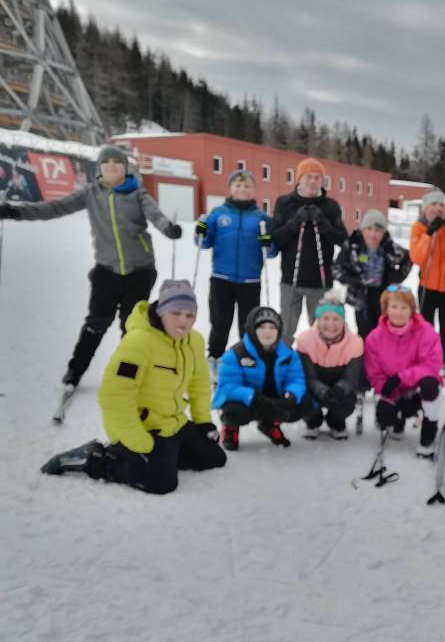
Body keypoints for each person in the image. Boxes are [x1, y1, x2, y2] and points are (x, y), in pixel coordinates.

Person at [0, 145, 182, 392]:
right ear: (100, 168)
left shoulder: (138, 194)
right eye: (106, 163)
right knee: (95, 324)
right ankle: (74, 372)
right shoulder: (90, 193)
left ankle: (128, 374)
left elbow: (156, 215)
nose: (111, 167)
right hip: (106, 271)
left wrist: (168, 228)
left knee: (132, 328)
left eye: (117, 163)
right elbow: (54, 207)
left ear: (124, 167)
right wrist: (16, 212)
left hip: (140, 272)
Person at [40, 280, 225, 494]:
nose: (183, 321)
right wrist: (139, 441)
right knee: (162, 483)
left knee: (215, 457)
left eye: (190, 315)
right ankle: (97, 459)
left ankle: (163, 457)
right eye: (176, 313)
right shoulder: (138, 343)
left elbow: (199, 384)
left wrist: (203, 422)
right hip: (145, 428)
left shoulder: (194, 341)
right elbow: (114, 397)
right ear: (162, 311)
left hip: (174, 424)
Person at [195, 169, 276, 381]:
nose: (242, 189)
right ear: (230, 189)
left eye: (247, 186)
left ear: (254, 191)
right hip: (221, 279)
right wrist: (201, 230)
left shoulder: (261, 218)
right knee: (220, 321)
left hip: (250, 281)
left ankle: (247, 359)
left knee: (247, 324)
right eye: (238, 185)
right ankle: (215, 358)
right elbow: (203, 243)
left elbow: (273, 251)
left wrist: (268, 242)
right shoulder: (219, 213)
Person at [270, 157, 347, 345]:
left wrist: (324, 224)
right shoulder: (284, 203)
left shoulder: (331, 206)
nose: (312, 181)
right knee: (286, 331)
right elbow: (275, 239)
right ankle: (282, 367)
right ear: (299, 179)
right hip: (290, 281)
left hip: (320, 282)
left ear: (322, 181)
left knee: (322, 331)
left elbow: (342, 239)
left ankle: (321, 368)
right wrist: (294, 223)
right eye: (308, 177)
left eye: (317, 177)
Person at [364, 285, 443, 456]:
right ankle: (397, 419)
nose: (398, 312)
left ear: (412, 310)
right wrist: (386, 390)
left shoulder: (426, 331)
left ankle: (429, 430)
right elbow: (374, 372)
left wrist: (401, 378)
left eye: (404, 308)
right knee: (385, 415)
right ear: (386, 309)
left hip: (418, 388)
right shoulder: (374, 338)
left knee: (431, 384)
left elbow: (432, 365)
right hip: (395, 390)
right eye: (394, 307)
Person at [213, 306, 307, 449]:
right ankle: (230, 428)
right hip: (249, 401)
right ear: (252, 329)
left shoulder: (288, 354)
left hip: (273, 398)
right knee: (234, 411)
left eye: (272, 327)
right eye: (262, 326)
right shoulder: (235, 354)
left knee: (304, 402)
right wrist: (253, 397)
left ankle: (270, 424)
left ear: (279, 330)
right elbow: (227, 388)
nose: (268, 331)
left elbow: (297, 379)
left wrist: (292, 394)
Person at [294, 289, 365, 440]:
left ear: (343, 321)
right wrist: (322, 391)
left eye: (336, 319)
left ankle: (336, 422)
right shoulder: (304, 341)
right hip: (315, 386)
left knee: (348, 400)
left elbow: (351, 377)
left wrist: (339, 390)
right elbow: (307, 376)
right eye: (326, 318)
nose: (331, 324)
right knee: (302, 396)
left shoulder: (355, 343)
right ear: (318, 320)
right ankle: (313, 421)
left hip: (339, 385)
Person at [334, 208, 410, 339]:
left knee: (384, 331)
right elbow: (336, 269)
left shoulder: (389, 246)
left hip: (383, 295)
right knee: (365, 332)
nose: (373, 234)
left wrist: (396, 276)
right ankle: (365, 357)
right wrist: (353, 280)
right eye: (369, 229)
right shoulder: (352, 245)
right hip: (360, 295)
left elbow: (408, 258)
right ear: (362, 229)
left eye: (378, 230)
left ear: (383, 232)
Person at [410, 187, 445, 391]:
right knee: (426, 331)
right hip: (427, 287)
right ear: (425, 208)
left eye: (441, 205)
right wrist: (430, 233)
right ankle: (425, 365)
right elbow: (417, 258)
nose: (437, 209)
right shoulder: (419, 228)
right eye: (433, 205)